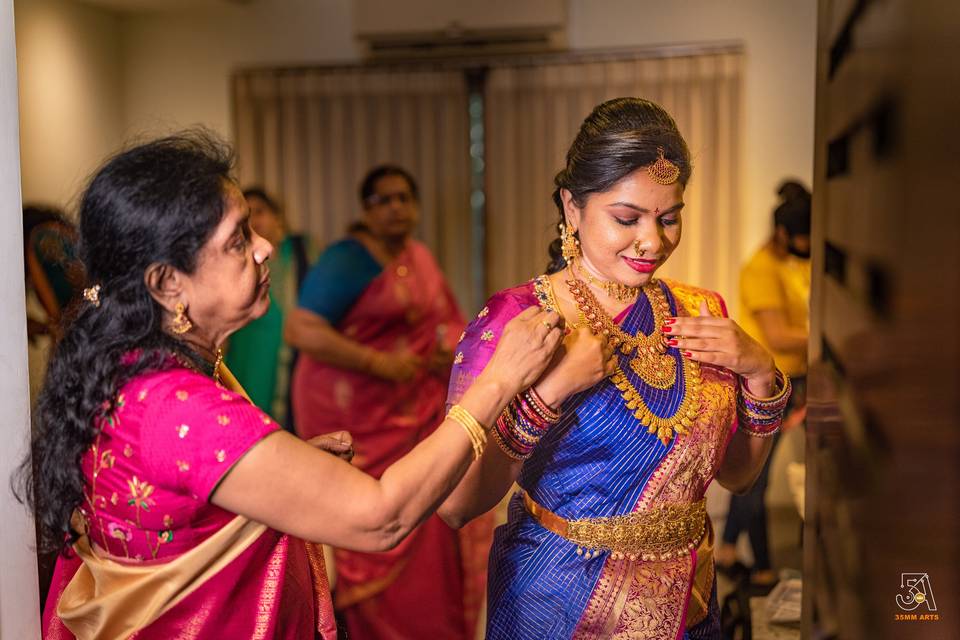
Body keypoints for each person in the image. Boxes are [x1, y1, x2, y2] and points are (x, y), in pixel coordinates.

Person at [16, 132, 606, 639]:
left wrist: (275, 472)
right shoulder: (177, 406)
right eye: (239, 240)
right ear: (169, 284)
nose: (268, 247)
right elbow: (382, 519)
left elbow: (182, 501)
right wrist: (502, 381)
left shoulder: (142, 369)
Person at [438, 98, 793, 639]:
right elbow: (457, 505)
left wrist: (762, 374)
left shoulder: (702, 313)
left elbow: (739, 477)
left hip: (689, 610)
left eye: (669, 218)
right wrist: (545, 397)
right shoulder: (519, 320)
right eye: (626, 218)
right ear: (572, 209)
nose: (653, 241)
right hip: (557, 606)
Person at [284, 165, 495, 638]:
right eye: (384, 200)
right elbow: (302, 330)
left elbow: (446, 319)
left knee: (428, 508)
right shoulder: (347, 260)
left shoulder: (417, 255)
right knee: (375, 516)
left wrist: (447, 351)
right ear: (366, 209)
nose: (397, 208)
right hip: (357, 413)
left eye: (404, 198)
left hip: (413, 408)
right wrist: (378, 364)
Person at [717, 183, 811, 586]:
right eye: (804, 236)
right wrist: (833, 332)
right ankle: (759, 564)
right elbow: (777, 336)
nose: (809, 244)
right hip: (769, 380)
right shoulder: (760, 269)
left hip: (805, 376)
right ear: (784, 234)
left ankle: (733, 551)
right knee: (758, 473)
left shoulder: (796, 263)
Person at [224, 187, 314, 429]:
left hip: (292, 352)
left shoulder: (299, 253)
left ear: (278, 217)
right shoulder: (232, 261)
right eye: (247, 216)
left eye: (261, 212)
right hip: (247, 351)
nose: (255, 221)